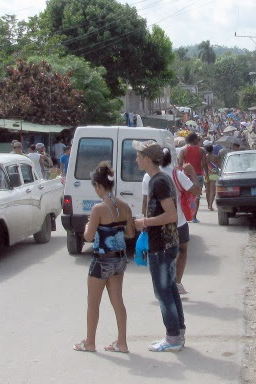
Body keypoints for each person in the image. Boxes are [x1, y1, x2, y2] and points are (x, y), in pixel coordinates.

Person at [73, 162, 134, 353]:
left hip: (101, 260)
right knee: (118, 301)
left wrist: (87, 225)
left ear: (98, 186)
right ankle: (122, 342)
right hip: (120, 260)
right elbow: (130, 234)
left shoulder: (98, 209)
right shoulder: (124, 206)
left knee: (93, 303)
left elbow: (88, 237)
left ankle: (90, 342)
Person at [133, 140, 185, 352]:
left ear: (147, 159)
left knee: (163, 293)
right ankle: (178, 333)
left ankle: (172, 338)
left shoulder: (158, 181)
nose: (136, 159)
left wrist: (144, 222)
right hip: (167, 243)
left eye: (138, 156)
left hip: (162, 245)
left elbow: (170, 214)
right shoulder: (159, 179)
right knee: (170, 290)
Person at [141, 148, 201, 295]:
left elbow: (145, 203)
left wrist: (145, 222)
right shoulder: (177, 174)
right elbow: (196, 191)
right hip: (178, 221)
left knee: (161, 255)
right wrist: (192, 171)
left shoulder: (148, 176)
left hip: (157, 225)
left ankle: (163, 284)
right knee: (182, 251)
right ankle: (176, 282)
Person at [178, 132, 209, 223]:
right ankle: (194, 216)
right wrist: (206, 174)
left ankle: (185, 215)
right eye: (197, 139)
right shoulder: (201, 150)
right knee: (197, 196)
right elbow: (204, 164)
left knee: (185, 195)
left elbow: (180, 164)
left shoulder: (183, 150)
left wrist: (179, 175)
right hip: (198, 175)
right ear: (194, 139)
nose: (198, 141)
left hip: (186, 176)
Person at [204, 144, 219, 211]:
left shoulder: (204, 157)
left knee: (207, 190)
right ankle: (210, 204)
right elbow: (218, 165)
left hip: (206, 173)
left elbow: (202, 165)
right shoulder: (215, 157)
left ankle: (208, 204)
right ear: (212, 149)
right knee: (213, 191)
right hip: (214, 174)